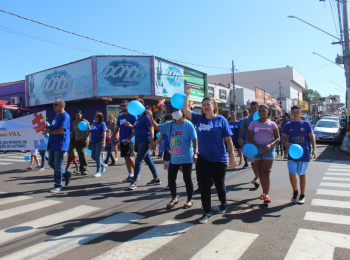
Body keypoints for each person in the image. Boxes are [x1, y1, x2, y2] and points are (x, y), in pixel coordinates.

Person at [183, 85, 236, 224]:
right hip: (203, 159)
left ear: (214, 106)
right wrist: (187, 94)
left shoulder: (221, 120)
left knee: (220, 185)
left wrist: (232, 156)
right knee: (205, 187)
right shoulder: (198, 119)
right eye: (204, 104)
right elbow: (184, 110)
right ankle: (207, 212)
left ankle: (223, 204)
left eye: (208, 104)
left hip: (219, 159)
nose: (206, 106)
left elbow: (229, 139)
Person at [148, 107, 198, 209]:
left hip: (186, 156)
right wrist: (151, 118)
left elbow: (194, 140)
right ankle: (174, 198)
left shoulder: (188, 125)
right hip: (174, 157)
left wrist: (195, 152)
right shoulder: (170, 125)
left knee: (187, 178)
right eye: (173, 112)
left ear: (182, 112)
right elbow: (157, 127)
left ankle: (189, 199)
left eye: (176, 111)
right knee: (171, 179)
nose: (175, 113)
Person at [282, 105, 317, 204]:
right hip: (292, 154)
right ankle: (295, 192)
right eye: (294, 112)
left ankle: (302, 194)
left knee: (302, 174)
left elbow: (311, 137)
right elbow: (283, 137)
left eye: (298, 112)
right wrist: (285, 143)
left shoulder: (306, 124)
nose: (296, 114)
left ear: (301, 113)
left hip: (304, 154)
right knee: (291, 173)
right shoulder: (288, 125)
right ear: (291, 114)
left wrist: (314, 149)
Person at [247, 104, 280, 203]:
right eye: (259, 111)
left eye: (263, 111)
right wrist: (257, 147)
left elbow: (277, 138)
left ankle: (267, 194)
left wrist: (270, 145)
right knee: (260, 172)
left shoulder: (272, 124)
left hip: (268, 150)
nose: (261, 113)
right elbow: (249, 137)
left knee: (266, 171)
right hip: (256, 150)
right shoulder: (253, 123)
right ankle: (264, 192)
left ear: (268, 112)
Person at [127, 104, 160, 190]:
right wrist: (130, 126)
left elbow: (151, 129)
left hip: (145, 141)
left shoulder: (146, 118)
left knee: (138, 160)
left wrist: (152, 142)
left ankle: (134, 181)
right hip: (138, 141)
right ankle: (156, 179)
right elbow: (136, 128)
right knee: (148, 161)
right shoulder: (139, 117)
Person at [44, 99, 71, 193]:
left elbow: (60, 130)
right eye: (53, 104)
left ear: (61, 106)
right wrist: (43, 127)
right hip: (53, 143)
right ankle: (66, 173)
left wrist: (47, 131)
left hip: (60, 143)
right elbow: (53, 127)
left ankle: (58, 185)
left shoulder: (65, 116)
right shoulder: (56, 115)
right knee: (51, 163)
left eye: (55, 105)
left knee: (58, 165)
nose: (53, 106)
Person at [111, 100, 137, 182]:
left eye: (124, 106)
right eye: (121, 106)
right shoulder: (120, 116)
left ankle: (137, 174)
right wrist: (112, 137)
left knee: (129, 157)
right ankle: (130, 174)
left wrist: (129, 138)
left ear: (128, 106)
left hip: (129, 140)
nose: (122, 107)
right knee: (126, 158)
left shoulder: (133, 116)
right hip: (122, 140)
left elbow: (136, 129)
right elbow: (117, 127)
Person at [238, 101, 260, 187]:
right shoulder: (246, 119)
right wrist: (240, 138)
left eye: (255, 108)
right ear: (250, 109)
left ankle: (260, 177)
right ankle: (257, 177)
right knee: (253, 162)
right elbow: (242, 130)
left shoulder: (262, 118)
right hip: (251, 144)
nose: (253, 109)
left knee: (260, 162)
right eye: (252, 108)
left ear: (258, 108)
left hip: (261, 144)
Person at [72, 110, 90, 175]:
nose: (77, 116)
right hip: (77, 140)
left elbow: (89, 130)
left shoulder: (85, 122)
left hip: (84, 140)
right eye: (76, 115)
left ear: (81, 115)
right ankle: (81, 169)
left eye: (78, 115)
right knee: (79, 154)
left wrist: (86, 139)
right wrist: (71, 140)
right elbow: (73, 131)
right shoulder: (74, 122)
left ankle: (86, 168)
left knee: (82, 152)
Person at [89, 112, 107, 177]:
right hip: (93, 141)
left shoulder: (102, 124)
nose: (95, 118)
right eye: (95, 116)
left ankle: (98, 171)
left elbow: (104, 133)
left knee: (97, 156)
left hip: (99, 141)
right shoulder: (94, 123)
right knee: (93, 156)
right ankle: (103, 165)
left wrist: (103, 142)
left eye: (96, 117)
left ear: (100, 117)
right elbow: (92, 131)